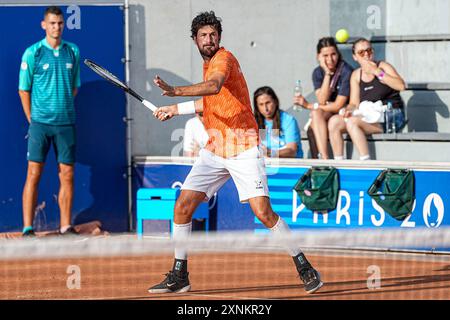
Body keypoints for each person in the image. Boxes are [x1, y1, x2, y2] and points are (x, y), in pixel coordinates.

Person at [149, 11, 322, 294]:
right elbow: (212, 102)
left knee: (263, 212)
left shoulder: (223, 60)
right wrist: (175, 110)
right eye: (203, 35)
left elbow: (214, 86)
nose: (209, 39)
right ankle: (180, 275)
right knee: (182, 207)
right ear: (195, 39)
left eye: (213, 34)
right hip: (216, 148)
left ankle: (304, 266)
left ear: (219, 37)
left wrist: (175, 92)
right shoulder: (207, 65)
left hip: (243, 146)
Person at [18, 6, 81, 237]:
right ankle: (27, 228)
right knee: (33, 174)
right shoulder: (32, 53)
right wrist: (32, 120)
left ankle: (65, 226)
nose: (57, 27)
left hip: (66, 123)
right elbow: (23, 90)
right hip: (40, 125)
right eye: (52, 23)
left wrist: (60, 107)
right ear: (44, 25)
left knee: (67, 174)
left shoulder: (72, 51)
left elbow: (74, 87)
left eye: (60, 23)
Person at [327, 38, 406, 160]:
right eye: (361, 52)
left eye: (369, 50)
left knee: (353, 122)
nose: (366, 55)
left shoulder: (383, 67)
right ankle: (339, 163)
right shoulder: (356, 75)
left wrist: (377, 72)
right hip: (369, 114)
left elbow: (401, 85)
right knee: (334, 122)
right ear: (355, 57)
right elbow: (354, 103)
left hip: (391, 116)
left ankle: (366, 161)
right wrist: (348, 110)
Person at [294, 37, 353, 159]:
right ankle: (324, 160)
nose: (330, 59)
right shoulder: (318, 72)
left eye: (333, 54)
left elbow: (338, 105)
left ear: (338, 54)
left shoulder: (346, 71)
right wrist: (327, 73)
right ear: (319, 57)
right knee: (314, 120)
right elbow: (322, 99)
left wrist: (309, 106)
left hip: (344, 111)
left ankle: (325, 161)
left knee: (315, 115)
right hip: (328, 111)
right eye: (325, 56)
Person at [253, 86, 303, 158]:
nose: (265, 108)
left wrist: (270, 153)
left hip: (289, 166)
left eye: (268, 103)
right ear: (257, 107)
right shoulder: (254, 122)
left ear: (275, 101)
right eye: (261, 104)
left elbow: (292, 151)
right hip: (265, 165)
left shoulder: (288, 120)